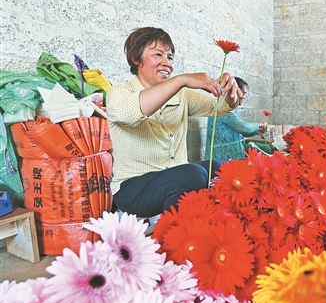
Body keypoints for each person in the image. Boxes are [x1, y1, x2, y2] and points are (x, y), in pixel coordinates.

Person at [107, 27, 241, 217]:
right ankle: (174, 234)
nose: (166, 62)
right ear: (137, 60)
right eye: (158, 54)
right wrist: (181, 80)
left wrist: (231, 92)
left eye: (170, 57)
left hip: (172, 176)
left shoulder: (182, 96)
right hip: (132, 189)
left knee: (218, 168)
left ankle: (214, 225)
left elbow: (220, 107)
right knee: (194, 175)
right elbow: (128, 113)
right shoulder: (120, 92)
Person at [205, 77, 270, 161]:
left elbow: (239, 130)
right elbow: (242, 127)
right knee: (266, 150)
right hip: (221, 155)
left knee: (264, 149)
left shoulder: (229, 108)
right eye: (242, 93)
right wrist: (260, 124)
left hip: (228, 149)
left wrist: (256, 132)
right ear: (233, 92)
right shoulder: (223, 109)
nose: (243, 97)